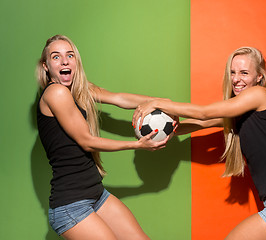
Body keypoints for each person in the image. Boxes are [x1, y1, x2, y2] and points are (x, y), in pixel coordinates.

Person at [133, 47, 266, 240]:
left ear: (259, 77)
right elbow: (202, 122)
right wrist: (167, 130)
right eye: (232, 72)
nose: (236, 79)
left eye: (244, 73)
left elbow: (204, 112)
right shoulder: (243, 114)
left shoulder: (261, 95)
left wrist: (158, 103)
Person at [36, 34, 170, 240]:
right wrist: (137, 144)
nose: (64, 61)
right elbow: (86, 141)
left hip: (96, 195)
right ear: (46, 66)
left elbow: (118, 98)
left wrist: (158, 101)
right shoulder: (56, 93)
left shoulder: (79, 89)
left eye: (69, 55)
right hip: (71, 206)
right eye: (56, 57)